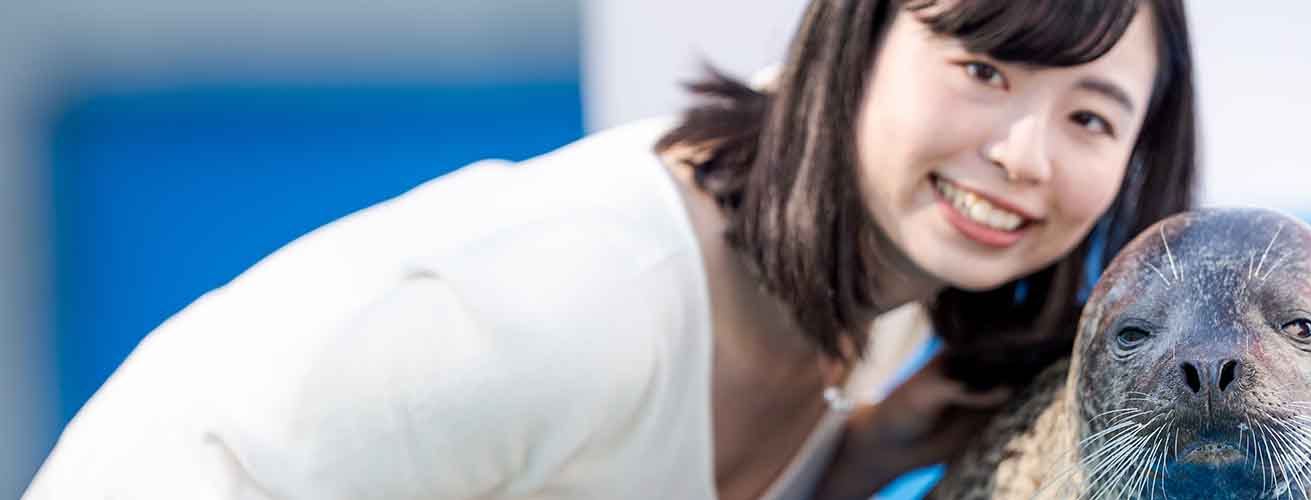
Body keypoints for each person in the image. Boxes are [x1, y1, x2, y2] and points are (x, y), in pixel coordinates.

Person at [24, 0, 1197, 498]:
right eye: (982, 68)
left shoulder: (879, 287)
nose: (1024, 152)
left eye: (1091, 115)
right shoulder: (577, 296)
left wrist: (856, 458)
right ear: (856, 43)